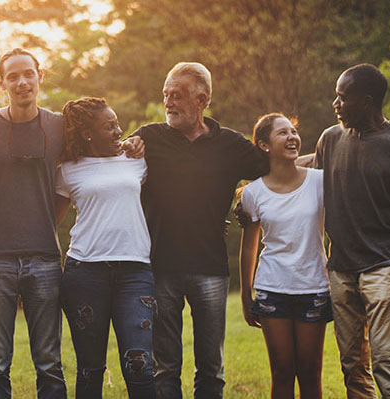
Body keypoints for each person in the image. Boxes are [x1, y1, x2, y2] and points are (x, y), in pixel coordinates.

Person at [0, 48, 143, 399]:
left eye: (28, 73)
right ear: (1, 83)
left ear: (40, 76)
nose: (21, 82)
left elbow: (96, 155)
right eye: (12, 76)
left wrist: (134, 143)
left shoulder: (59, 126)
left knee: (49, 362)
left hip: (44, 258)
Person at [132, 62, 267, 399]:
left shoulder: (230, 145)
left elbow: (277, 169)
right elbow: (108, 162)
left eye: (176, 96)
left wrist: (327, 159)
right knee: (165, 368)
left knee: (211, 368)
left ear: (201, 99)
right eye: (166, 95)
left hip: (210, 269)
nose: (168, 102)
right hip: (160, 267)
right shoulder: (149, 138)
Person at [55, 97, 156, 398]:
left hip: (135, 271)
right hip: (85, 273)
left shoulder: (137, 159)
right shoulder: (68, 169)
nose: (118, 131)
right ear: (87, 134)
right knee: (90, 367)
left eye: (117, 124)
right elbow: (50, 221)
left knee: (139, 363)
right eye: (109, 126)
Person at [313, 63, 390, 398]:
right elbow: (307, 177)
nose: (335, 104)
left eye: (342, 98)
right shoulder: (330, 139)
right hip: (341, 269)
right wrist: (254, 190)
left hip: (383, 269)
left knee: (387, 361)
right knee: (352, 365)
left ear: (366, 101)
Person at [239, 113, 331, 399]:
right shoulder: (252, 193)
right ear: (264, 145)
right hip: (272, 290)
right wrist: (245, 294)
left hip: (313, 287)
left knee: (309, 374)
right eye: (283, 133)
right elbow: (249, 246)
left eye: (293, 131)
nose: (292, 137)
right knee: (281, 372)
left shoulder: (320, 181)